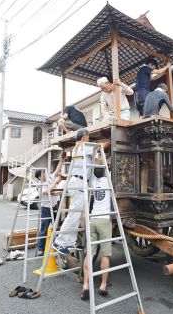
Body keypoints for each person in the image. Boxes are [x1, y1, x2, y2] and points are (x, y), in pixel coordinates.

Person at [52, 128, 110, 255]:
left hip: (78, 182)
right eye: (89, 138)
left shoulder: (78, 147)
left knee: (77, 214)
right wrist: (110, 139)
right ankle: (60, 242)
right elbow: (102, 147)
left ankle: (70, 241)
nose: (89, 140)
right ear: (84, 138)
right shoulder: (84, 146)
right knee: (74, 214)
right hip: (78, 182)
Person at [80, 167, 112, 301]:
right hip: (104, 220)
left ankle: (86, 285)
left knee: (90, 253)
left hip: (92, 219)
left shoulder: (93, 182)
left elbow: (92, 170)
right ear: (105, 171)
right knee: (105, 254)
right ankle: (103, 285)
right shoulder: (108, 181)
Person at [35, 153, 64, 256]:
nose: (45, 174)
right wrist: (56, 182)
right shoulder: (39, 185)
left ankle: (55, 247)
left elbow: (57, 170)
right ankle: (41, 249)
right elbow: (46, 191)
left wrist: (61, 160)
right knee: (44, 229)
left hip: (54, 207)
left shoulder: (49, 178)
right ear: (39, 177)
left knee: (56, 228)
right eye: (43, 173)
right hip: (46, 209)